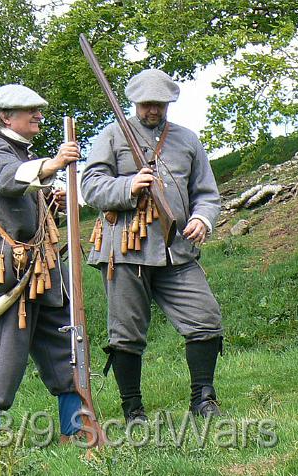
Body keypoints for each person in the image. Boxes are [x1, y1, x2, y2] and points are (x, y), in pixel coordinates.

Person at [81, 69, 223, 421]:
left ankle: (203, 399)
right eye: (147, 105)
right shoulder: (113, 136)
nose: (153, 111)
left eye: (160, 105)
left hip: (177, 250)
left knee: (205, 319)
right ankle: (133, 408)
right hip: (126, 251)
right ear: (135, 102)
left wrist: (202, 219)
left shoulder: (187, 140)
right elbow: (91, 186)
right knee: (126, 333)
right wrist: (128, 187)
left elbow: (206, 193)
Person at [0, 84, 83, 440]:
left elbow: (24, 203)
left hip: (41, 264)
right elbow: (6, 179)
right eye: (30, 110)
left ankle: (74, 430)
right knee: (2, 352)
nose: (39, 116)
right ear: (6, 117)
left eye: (39, 110)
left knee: (62, 342)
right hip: (5, 267)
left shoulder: (19, 153)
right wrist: (55, 164)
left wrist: (50, 200)